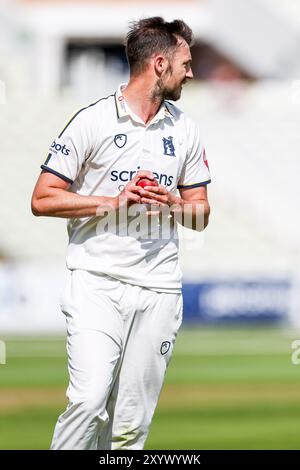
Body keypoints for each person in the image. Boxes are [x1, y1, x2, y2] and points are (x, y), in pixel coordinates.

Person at [31, 16, 211, 450]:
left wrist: (174, 204)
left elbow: (201, 215)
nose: (192, 72)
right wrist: (112, 202)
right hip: (97, 282)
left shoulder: (184, 128)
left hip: (159, 288)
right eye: (186, 62)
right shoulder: (91, 121)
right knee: (90, 400)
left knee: (131, 427)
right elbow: (42, 199)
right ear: (160, 64)